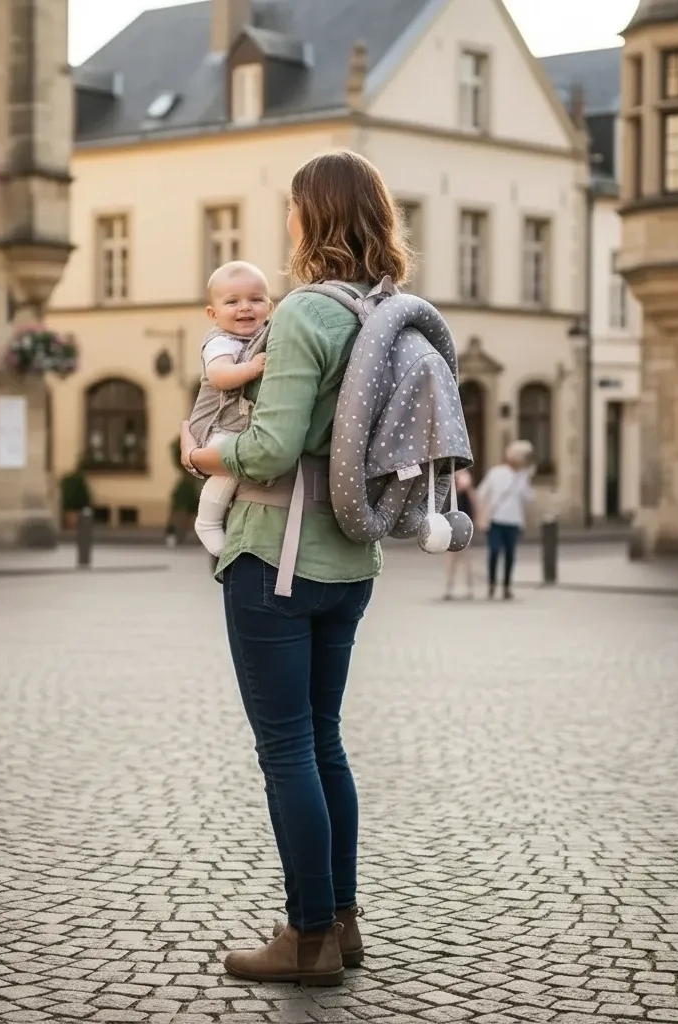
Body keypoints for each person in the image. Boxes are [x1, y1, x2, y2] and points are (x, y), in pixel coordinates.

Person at [181, 150, 411, 986]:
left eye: (292, 208)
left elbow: (273, 445)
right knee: (324, 742)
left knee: (286, 749)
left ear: (311, 217)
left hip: (276, 555)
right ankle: (342, 922)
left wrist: (209, 457)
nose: (287, 221)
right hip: (354, 558)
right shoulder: (385, 308)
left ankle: (307, 935)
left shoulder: (307, 314)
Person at [187, 261, 270, 555]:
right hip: (216, 424)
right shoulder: (221, 341)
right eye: (232, 302)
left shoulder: (264, 335)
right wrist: (252, 368)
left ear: (269, 307)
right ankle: (207, 521)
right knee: (229, 466)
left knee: (240, 464)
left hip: (237, 423)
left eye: (255, 299)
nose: (245, 308)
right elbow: (220, 377)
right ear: (213, 314)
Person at [477, 441, 535, 600]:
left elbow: (528, 498)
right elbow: (482, 493)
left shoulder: (522, 476)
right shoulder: (496, 472)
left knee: (510, 554)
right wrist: (482, 511)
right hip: (496, 519)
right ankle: (492, 584)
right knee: (494, 552)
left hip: (514, 521)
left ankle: (507, 587)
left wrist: (526, 478)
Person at [443, 468, 478, 600]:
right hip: (450, 526)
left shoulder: (465, 487)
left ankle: (469, 588)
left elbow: (473, 504)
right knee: (452, 559)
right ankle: (450, 587)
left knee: (466, 559)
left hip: (464, 527)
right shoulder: (449, 486)